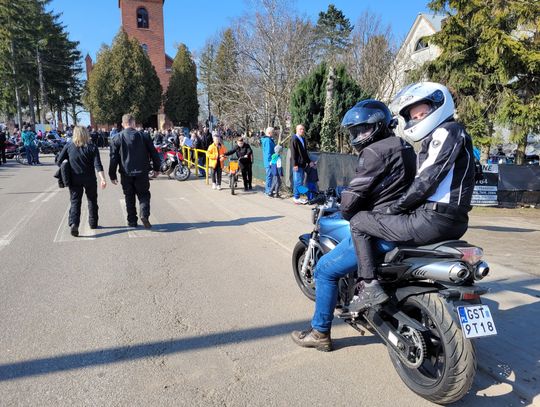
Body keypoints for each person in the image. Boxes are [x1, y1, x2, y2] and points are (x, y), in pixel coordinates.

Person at [291, 99, 417, 351]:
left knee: (325, 269)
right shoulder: (405, 147)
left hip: (378, 227)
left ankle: (320, 333)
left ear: (379, 126)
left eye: (363, 130)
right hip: (404, 221)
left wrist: (345, 199)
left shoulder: (374, 152)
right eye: (355, 131)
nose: (358, 136)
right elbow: (386, 186)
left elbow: (350, 205)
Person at [348, 82, 476, 313]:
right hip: (454, 220)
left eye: (422, 112)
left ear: (438, 105)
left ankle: (368, 285)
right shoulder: (448, 135)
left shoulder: (447, 131)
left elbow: (426, 181)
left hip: (432, 219)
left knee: (359, 222)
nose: (417, 118)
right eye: (413, 115)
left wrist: (394, 208)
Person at [109, 113, 161, 229]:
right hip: (142, 172)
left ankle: (132, 221)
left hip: (126, 173)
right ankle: (144, 214)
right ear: (133, 123)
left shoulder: (117, 138)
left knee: (129, 196)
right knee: (144, 194)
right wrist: (157, 168)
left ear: (123, 124)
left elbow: (113, 158)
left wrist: (112, 175)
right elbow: (154, 153)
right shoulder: (144, 136)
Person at [56, 126, 107, 237]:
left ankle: (74, 223)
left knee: (75, 201)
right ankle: (93, 223)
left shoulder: (69, 146)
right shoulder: (92, 147)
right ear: (86, 134)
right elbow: (97, 164)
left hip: (74, 179)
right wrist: (102, 178)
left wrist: (67, 163)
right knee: (92, 200)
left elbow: (59, 161)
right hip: (90, 179)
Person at [290, 124, 313, 204]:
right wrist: (295, 164)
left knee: (299, 181)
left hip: (303, 164)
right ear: (296, 130)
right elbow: (293, 153)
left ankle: (297, 196)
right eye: (300, 129)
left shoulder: (302, 139)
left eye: (303, 129)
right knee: (298, 182)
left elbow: (304, 153)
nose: (302, 131)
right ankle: (297, 197)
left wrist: (309, 162)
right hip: (297, 164)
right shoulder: (294, 138)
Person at [261, 127, 276, 196]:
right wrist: (270, 162)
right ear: (269, 133)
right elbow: (268, 152)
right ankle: (268, 191)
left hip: (270, 161)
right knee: (269, 176)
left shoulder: (268, 140)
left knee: (270, 176)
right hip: (270, 162)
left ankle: (270, 190)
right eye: (273, 132)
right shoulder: (267, 140)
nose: (274, 134)